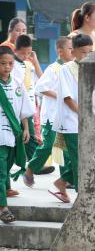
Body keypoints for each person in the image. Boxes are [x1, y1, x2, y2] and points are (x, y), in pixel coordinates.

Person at [23, 37, 73, 187]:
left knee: (65, 147)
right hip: (51, 117)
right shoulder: (53, 69)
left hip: (65, 117)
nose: (73, 51)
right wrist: (60, 95)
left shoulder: (70, 68)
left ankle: (66, 179)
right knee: (48, 145)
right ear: (60, 51)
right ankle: (30, 170)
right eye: (70, 48)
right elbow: (40, 87)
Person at [51, 33, 93, 203]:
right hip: (71, 122)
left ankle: (61, 182)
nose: (87, 56)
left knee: (86, 157)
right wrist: (84, 115)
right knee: (79, 159)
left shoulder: (90, 69)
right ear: (73, 51)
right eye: (84, 52)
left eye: (90, 52)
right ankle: (81, 195)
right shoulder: (66, 69)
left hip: (86, 121)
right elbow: (68, 99)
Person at [0, 46, 32, 224]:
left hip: (12, 135)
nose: (7, 67)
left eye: (10, 63)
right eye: (3, 63)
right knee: (0, 171)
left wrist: (25, 128)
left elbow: (23, 109)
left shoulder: (17, 83)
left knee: (5, 168)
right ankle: (3, 208)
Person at [12, 35, 42, 161]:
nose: (25, 56)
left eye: (28, 53)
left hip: (28, 105)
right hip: (16, 104)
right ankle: (35, 163)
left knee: (29, 135)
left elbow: (41, 79)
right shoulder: (11, 65)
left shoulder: (28, 65)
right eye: (22, 53)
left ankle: (35, 163)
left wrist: (35, 61)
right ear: (15, 50)